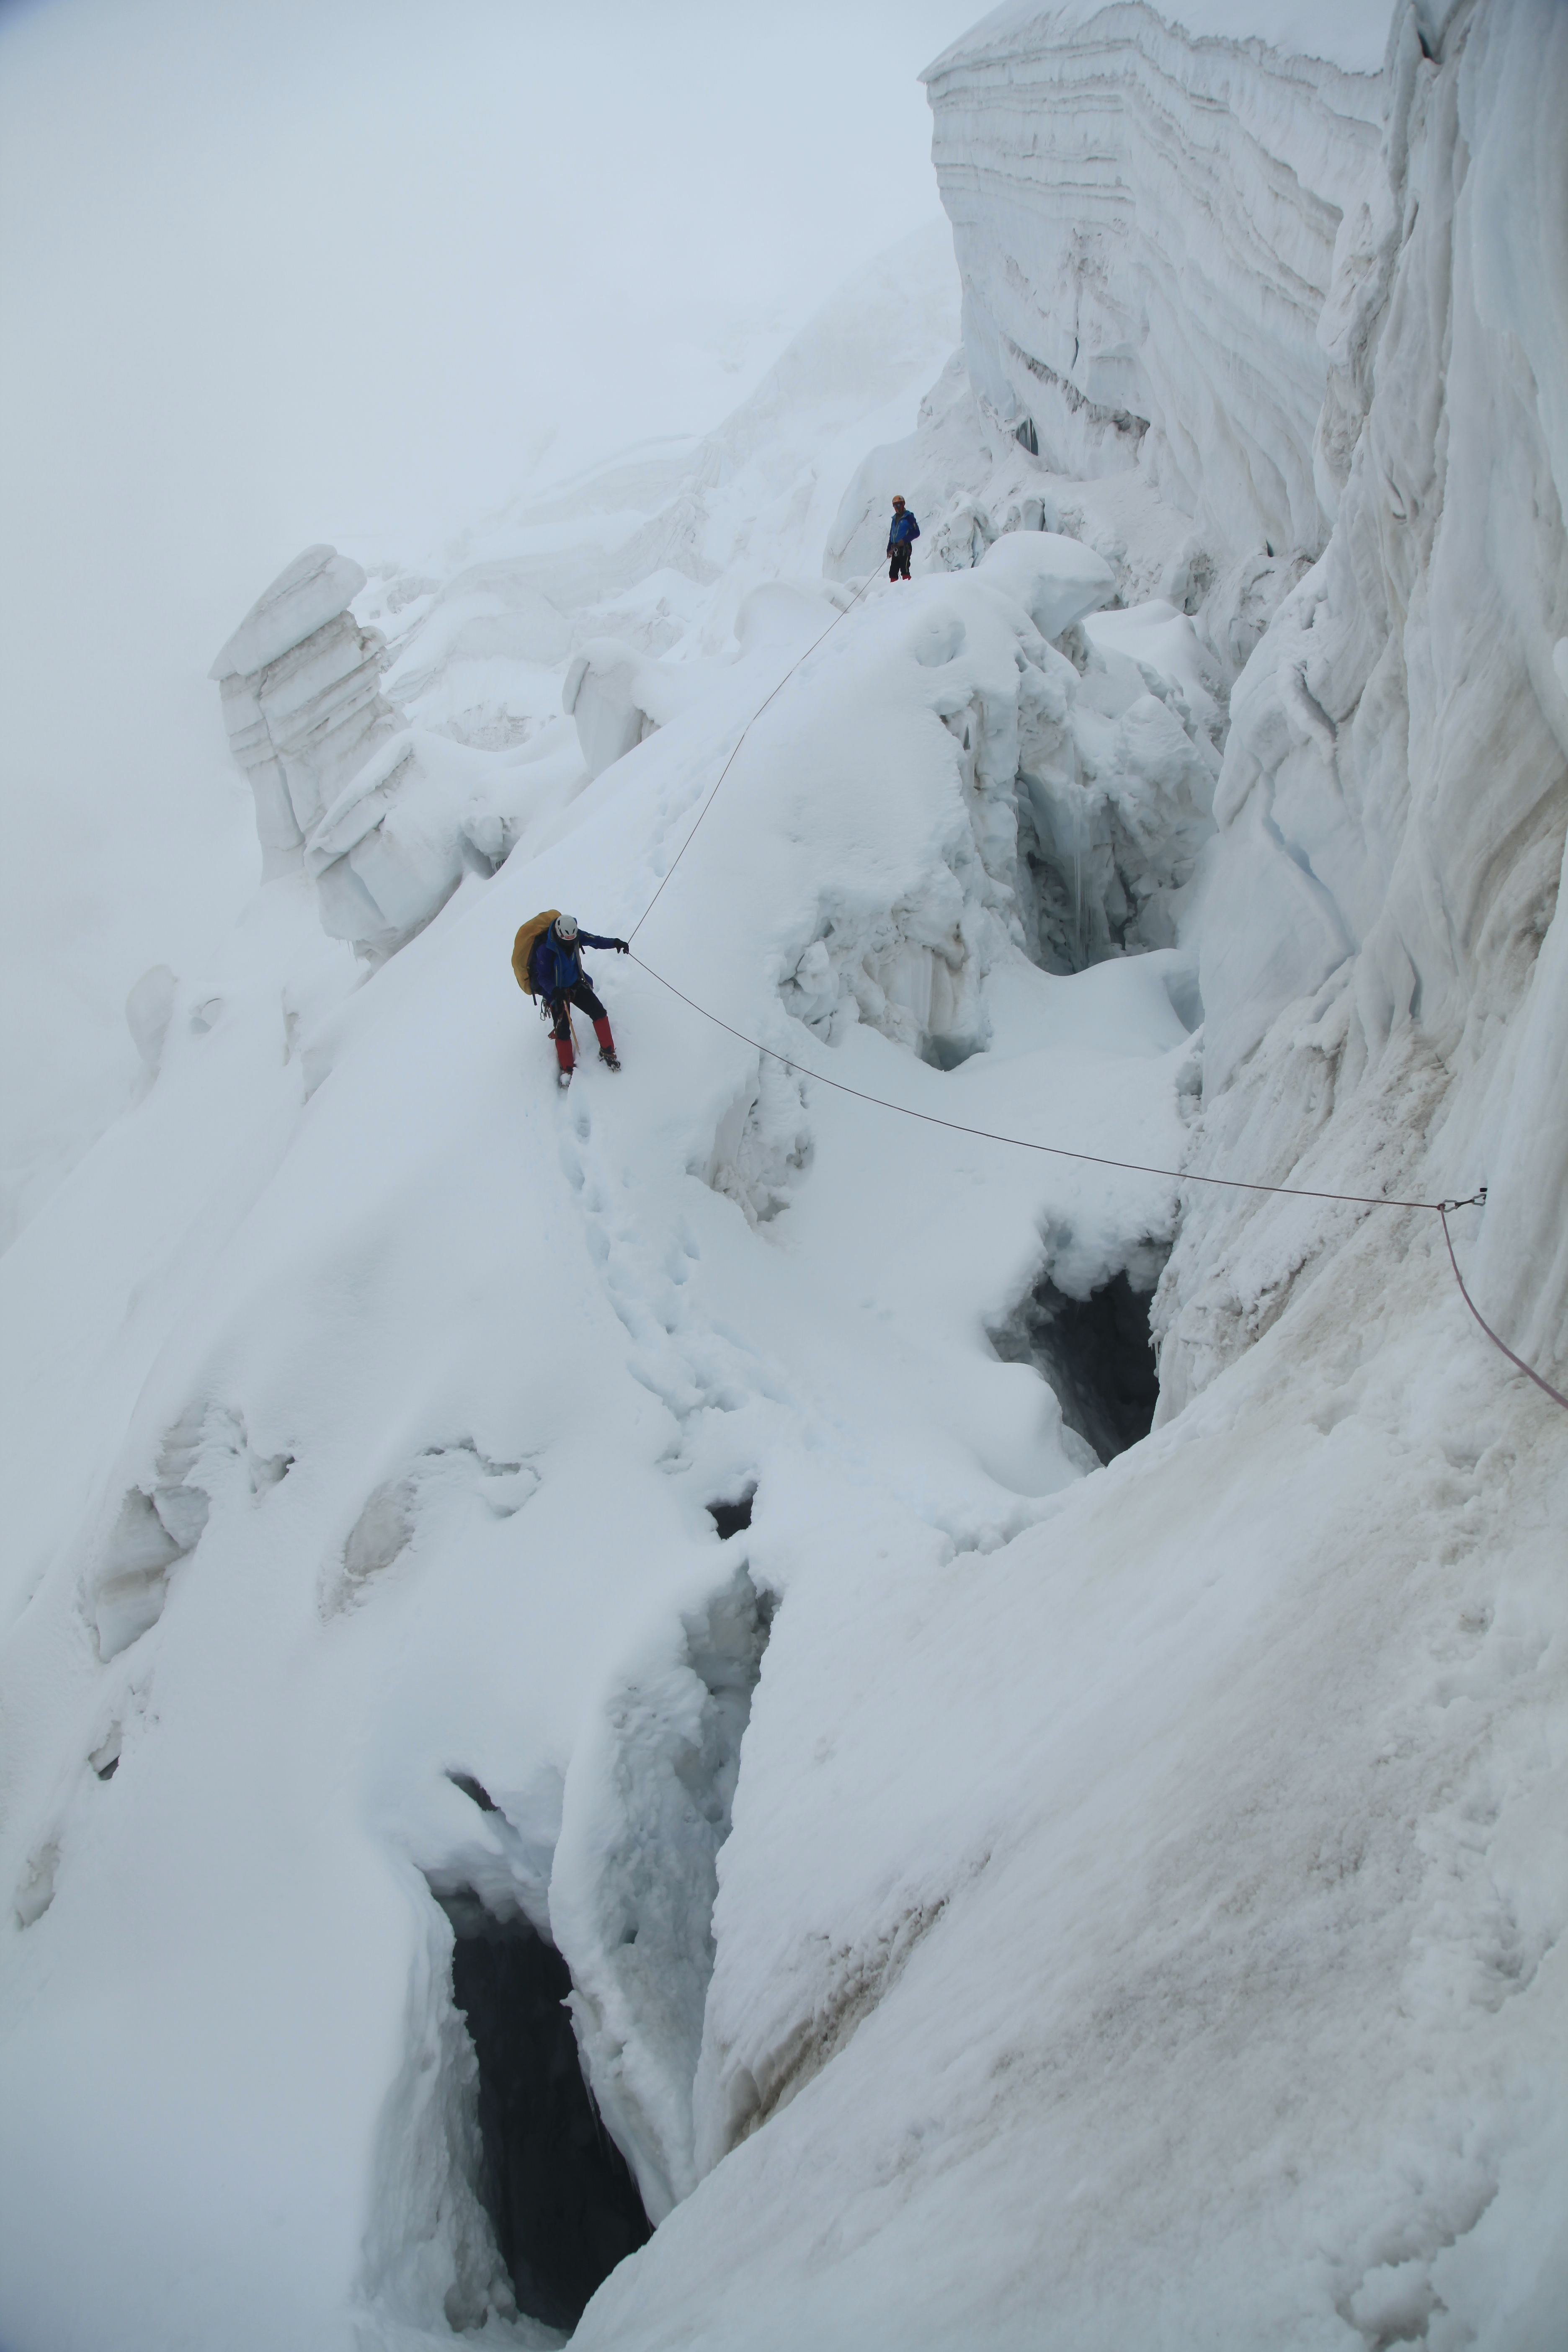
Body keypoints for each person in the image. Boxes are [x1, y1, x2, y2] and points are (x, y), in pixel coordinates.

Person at [528, 913, 629, 1086]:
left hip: (574, 984)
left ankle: (608, 1052)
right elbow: (543, 977)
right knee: (563, 1030)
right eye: (566, 941)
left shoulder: (575, 936)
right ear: (559, 935)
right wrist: (555, 991)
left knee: (599, 1012)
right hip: (556, 992)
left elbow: (595, 941)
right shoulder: (545, 949)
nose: (569, 943)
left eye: (571, 940)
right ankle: (567, 1069)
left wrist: (615, 943)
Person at [887, 495, 919, 582]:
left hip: (905, 548)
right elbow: (892, 535)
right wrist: (889, 549)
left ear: (903, 504)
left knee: (905, 570)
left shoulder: (909, 517)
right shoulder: (894, 519)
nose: (896, 508)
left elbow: (917, 532)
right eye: (894, 506)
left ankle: (908, 590)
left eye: (898, 505)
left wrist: (904, 540)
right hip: (895, 549)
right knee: (893, 572)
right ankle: (894, 592)